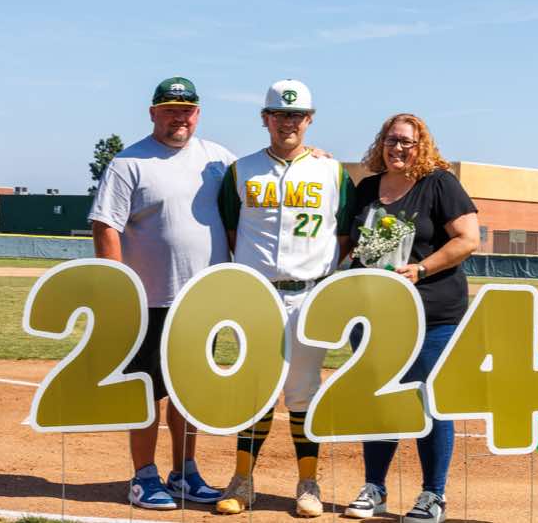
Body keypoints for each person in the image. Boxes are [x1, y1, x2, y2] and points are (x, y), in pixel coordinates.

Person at [88, 77, 235, 510]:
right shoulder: (128, 162)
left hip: (202, 301)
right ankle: (143, 476)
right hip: (149, 299)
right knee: (147, 392)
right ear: (153, 113)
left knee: (188, 391)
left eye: (186, 110)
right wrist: (117, 291)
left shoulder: (219, 161)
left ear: (198, 114)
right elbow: (105, 226)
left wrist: (314, 155)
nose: (179, 118)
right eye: (170, 109)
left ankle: (184, 472)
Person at [216, 79, 355, 518]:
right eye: (279, 114)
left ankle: (308, 483)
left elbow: (346, 234)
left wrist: (319, 272)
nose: (287, 122)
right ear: (265, 119)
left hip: (309, 295)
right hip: (257, 296)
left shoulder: (332, 172)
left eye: (296, 115)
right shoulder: (241, 171)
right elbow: (231, 231)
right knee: (255, 389)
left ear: (309, 119)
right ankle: (242, 480)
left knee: (303, 391)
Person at [343, 113, 480, 523]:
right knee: (380, 400)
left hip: (431, 314)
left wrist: (421, 269)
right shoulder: (367, 188)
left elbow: (468, 239)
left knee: (429, 400)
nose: (398, 148)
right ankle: (374, 488)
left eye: (407, 141)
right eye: (391, 140)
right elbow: (348, 244)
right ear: (380, 144)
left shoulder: (439, 183)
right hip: (375, 316)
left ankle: (432, 495)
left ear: (422, 146)